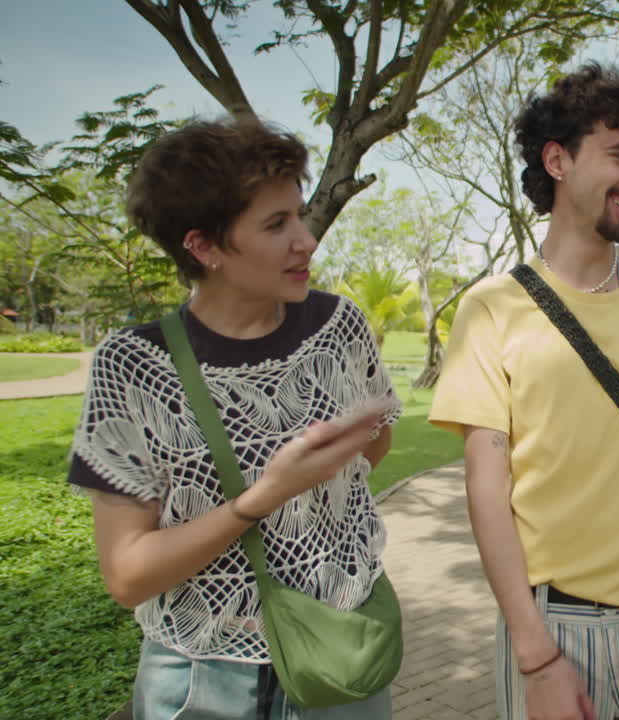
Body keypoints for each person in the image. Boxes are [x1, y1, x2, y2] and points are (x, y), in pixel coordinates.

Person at [67, 118, 401, 719]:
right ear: (204, 247)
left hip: (345, 649)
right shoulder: (135, 367)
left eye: (298, 215)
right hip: (203, 677)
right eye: (276, 224)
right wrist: (266, 495)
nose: (307, 240)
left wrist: (338, 455)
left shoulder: (339, 328)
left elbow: (374, 448)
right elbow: (127, 576)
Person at [429, 64, 619, 720]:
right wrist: (536, 658)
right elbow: (487, 489)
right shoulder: (490, 309)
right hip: (551, 631)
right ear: (557, 160)